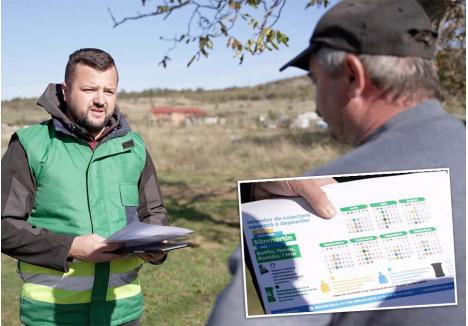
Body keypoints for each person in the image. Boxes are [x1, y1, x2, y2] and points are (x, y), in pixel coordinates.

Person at [207, 1, 465, 325]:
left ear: (353, 75)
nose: (316, 102)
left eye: (315, 81)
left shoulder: (321, 198)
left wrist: (272, 216)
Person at [1, 48, 169, 325]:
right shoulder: (31, 145)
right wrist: (70, 247)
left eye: (110, 91)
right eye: (89, 89)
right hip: (52, 316)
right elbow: (3, 225)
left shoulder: (134, 147)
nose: (101, 100)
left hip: (123, 313)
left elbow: (154, 212)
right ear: (66, 91)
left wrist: (156, 245)